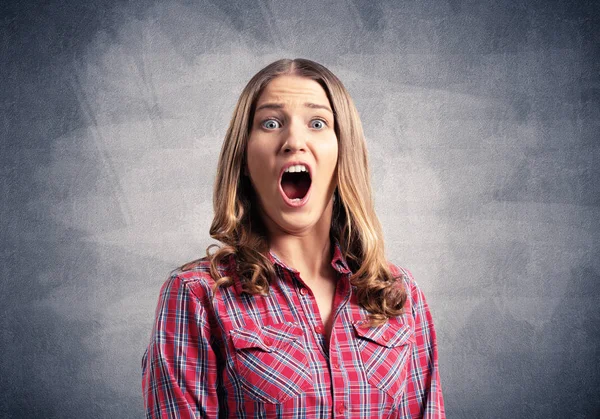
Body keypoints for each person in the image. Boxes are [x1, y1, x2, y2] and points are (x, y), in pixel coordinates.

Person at [141, 58, 445, 418]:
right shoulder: (197, 294)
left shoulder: (399, 295)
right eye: (271, 123)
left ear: (342, 152)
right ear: (244, 158)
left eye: (317, 123)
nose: (293, 141)